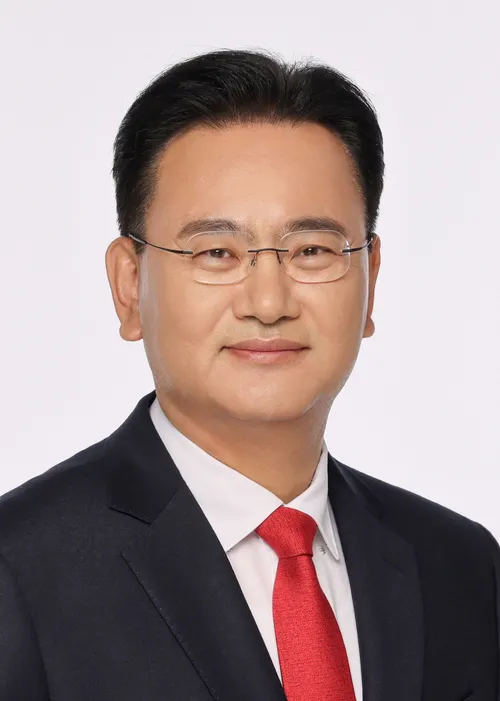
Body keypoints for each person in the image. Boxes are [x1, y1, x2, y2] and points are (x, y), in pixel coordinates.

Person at [0, 49, 498, 701]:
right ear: (129, 286)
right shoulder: (18, 569)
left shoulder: (462, 566)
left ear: (370, 279)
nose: (268, 302)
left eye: (312, 250)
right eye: (216, 252)